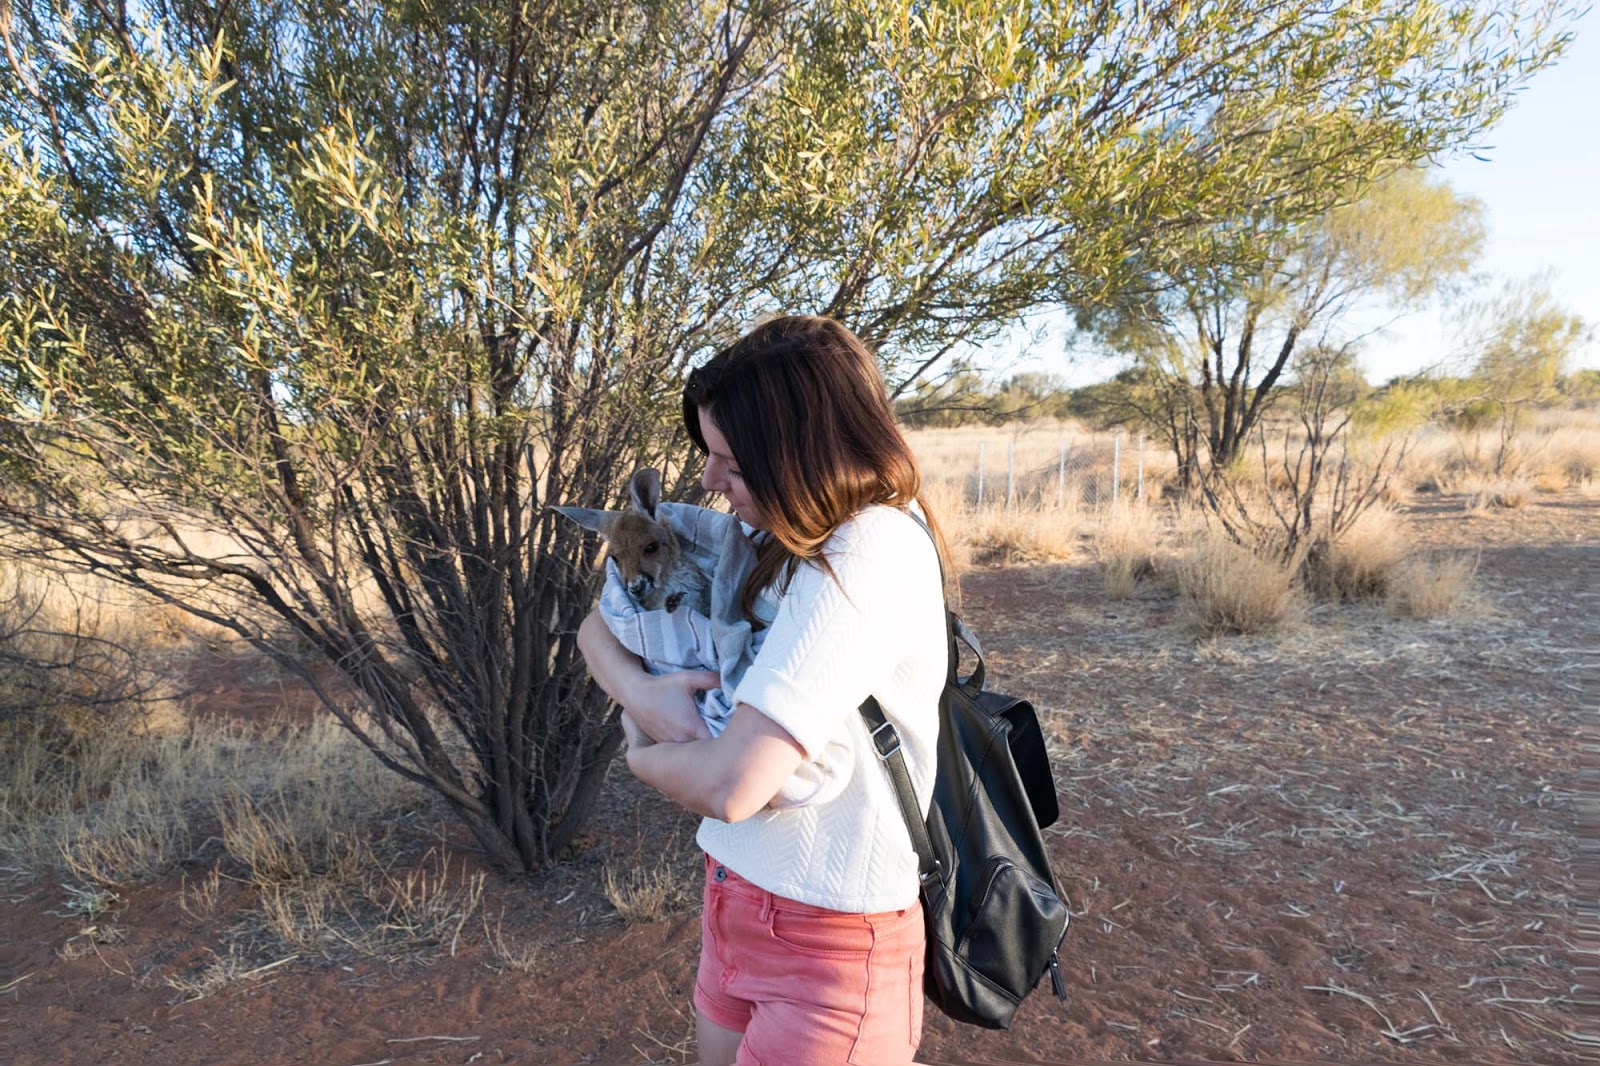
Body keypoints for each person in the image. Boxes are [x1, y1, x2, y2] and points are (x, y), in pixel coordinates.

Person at [577, 315, 950, 1066]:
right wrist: (642, 698)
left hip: (832, 938)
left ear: (805, 454)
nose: (711, 482)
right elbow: (596, 627)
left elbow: (732, 783)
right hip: (736, 895)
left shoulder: (868, 546)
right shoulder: (776, 535)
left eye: (733, 464)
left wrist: (641, 755)